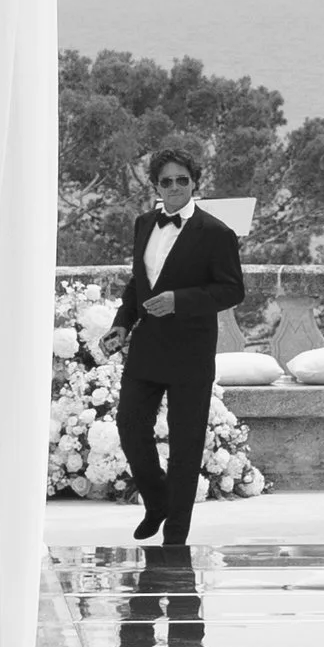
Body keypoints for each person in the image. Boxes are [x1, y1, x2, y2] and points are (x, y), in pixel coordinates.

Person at [108, 142, 248, 553]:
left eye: (181, 181)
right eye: (166, 181)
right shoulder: (143, 224)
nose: (174, 187)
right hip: (147, 348)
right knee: (130, 427)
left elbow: (231, 289)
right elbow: (138, 284)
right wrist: (121, 324)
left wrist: (179, 301)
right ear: (155, 185)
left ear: (194, 183)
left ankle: (176, 535)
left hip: (191, 352)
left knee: (186, 447)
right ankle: (157, 501)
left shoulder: (217, 233)